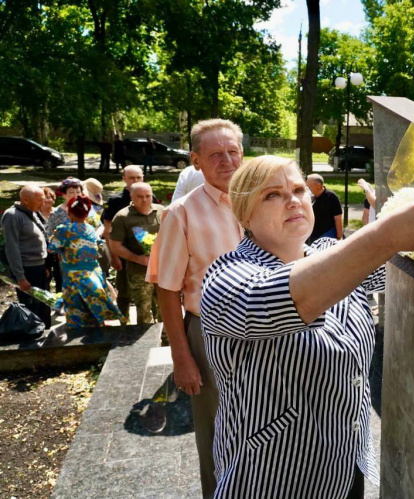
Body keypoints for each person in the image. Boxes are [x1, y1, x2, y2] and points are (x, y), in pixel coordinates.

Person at [200, 156, 414, 498]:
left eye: (298, 190)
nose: (293, 199)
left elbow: (404, 264)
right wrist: (384, 235)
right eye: (272, 195)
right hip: (271, 476)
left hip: (345, 468)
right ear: (244, 214)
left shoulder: (330, 252)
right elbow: (291, 297)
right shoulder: (226, 278)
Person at [146, 119, 244, 497]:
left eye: (232, 151)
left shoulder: (260, 200)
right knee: (219, 434)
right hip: (211, 334)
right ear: (196, 161)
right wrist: (182, 358)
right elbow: (167, 291)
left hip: (266, 331)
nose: (226, 161)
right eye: (215, 154)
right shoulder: (181, 214)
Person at [48, 196, 123, 328]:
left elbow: (51, 248)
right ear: (87, 214)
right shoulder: (90, 229)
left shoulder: (63, 230)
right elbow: (99, 245)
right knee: (94, 309)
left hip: (73, 276)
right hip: (94, 274)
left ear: (69, 212)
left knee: (76, 313)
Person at [102, 166, 153, 320]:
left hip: (150, 259)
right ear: (123, 178)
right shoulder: (116, 201)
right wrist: (114, 257)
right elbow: (107, 231)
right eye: (131, 178)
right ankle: (123, 323)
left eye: (138, 177)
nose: (135, 181)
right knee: (124, 293)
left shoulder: (151, 197)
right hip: (125, 256)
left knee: (151, 298)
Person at [109, 183, 163, 325]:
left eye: (148, 196)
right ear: (131, 196)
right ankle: (146, 343)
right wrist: (138, 259)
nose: (144, 200)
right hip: (139, 272)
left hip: (163, 271)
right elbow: (115, 245)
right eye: (140, 197)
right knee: (144, 311)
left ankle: (166, 339)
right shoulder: (122, 217)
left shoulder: (162, 211)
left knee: (164, 308)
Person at [1, 186, 52, 328]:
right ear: (25, 200)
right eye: (39, 200)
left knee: (44, 306)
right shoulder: (12, 216)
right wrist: (20, 276)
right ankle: (32, 342)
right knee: (32, 309)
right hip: (26, 270)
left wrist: (44, 266)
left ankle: (47, 341)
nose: (43, 204)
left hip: (39, 267)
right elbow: (11, 247)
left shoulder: (32, 212)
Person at [306, 173, 343, 242]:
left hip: (327, 236)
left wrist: (339, 237)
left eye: (309, 186)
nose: (307, 189)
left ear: (318, 186)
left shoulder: (331, 197)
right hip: (312, 235)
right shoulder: (310, 197)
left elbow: (338, 218)